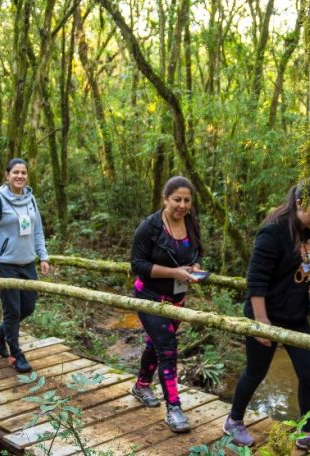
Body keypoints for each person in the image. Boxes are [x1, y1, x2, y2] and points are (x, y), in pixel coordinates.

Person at [224, 178, 310, 449]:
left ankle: (308, 430)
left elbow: (308, 264)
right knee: (256, 372)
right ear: (301, 204)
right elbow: (256, 280)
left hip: (296, 316)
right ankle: (234, 420)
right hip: (265, 314)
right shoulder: (274, 231)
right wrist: (261, 323)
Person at [128, 176, 205, 433]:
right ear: (165, 199)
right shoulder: (149, 227)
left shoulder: (191, 223)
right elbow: (137, 265)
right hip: (150, 297)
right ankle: (174, 408)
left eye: (187, 200)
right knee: (168, 348)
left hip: (177, 298)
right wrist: (174, 273)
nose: (182, 205)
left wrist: (194, 269)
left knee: (156, 344)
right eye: (177, 200)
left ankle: (141, 385)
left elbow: (195, 253)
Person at [0, 158, 50, 373]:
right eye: (15, 173)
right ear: (7, 175)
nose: (20, 176)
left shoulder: (31, 200)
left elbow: (37, 231)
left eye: (23, 173)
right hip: (6, 265)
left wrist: (43, 256)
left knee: (28, 306)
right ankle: (16, 354)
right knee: (12, 311)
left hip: (27, 263)